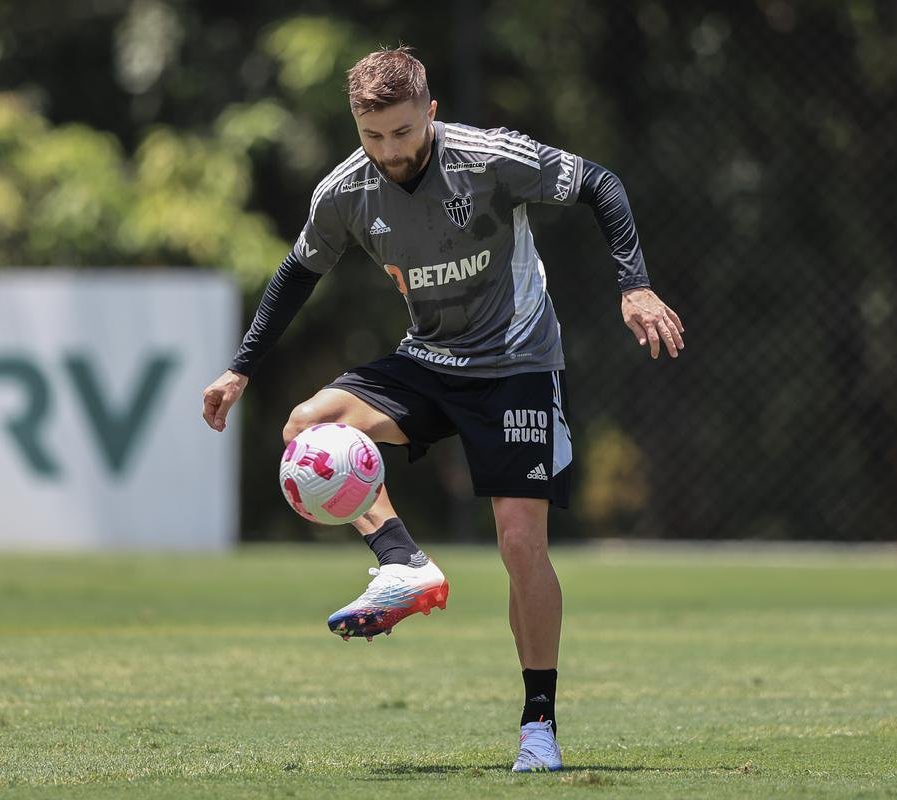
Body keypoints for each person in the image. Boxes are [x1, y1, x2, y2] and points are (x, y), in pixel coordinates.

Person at [201, 46, 684, 773]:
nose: (390, 150)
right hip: (429, 360)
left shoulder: (486, 158)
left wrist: (635, 285)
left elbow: (599, 184)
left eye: (402, 131)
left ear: (429, 112)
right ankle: (404, 562)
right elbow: (297, 273)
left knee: (521, 546)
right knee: (305, 425)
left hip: (518, 365)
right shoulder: (345, 192)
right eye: (373, 136)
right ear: (356, 126)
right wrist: (240, 369)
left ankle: (539, 728)